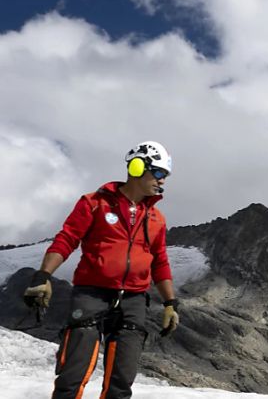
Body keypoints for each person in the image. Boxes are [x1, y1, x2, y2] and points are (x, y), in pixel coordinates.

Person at [23, 141, 180, 399]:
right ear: (138, 166)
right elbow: (67, 238)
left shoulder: (156, 218)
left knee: (121, 383)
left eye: (165, 176)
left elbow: (159, 261)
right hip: (91, 295)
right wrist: (43, 275)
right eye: (160, 173)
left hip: (134, 300)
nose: (162, 182)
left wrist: (170, 303)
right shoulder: (94, 203)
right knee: (72, 375)